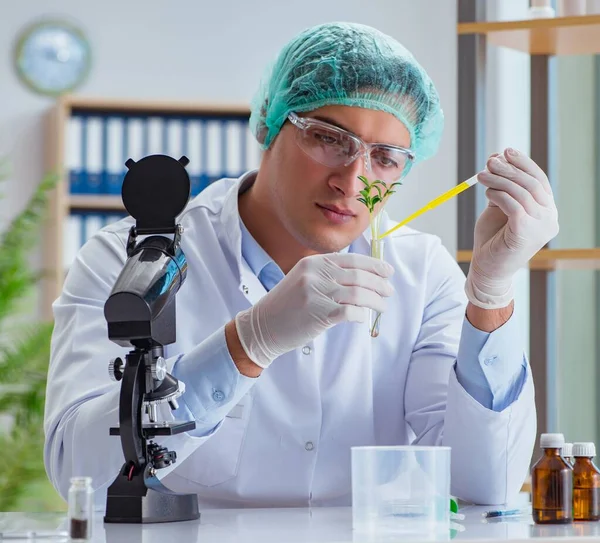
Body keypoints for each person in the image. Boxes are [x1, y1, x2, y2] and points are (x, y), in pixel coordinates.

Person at [44, 21, 559, 510]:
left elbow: (486, 485)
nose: (353, 182)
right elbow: (77, 469)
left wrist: (490, 295)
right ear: (269, 126)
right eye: (329, 139)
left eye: (385, 157)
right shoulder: (130, 260)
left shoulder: (421, 272)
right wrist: (245, 345)